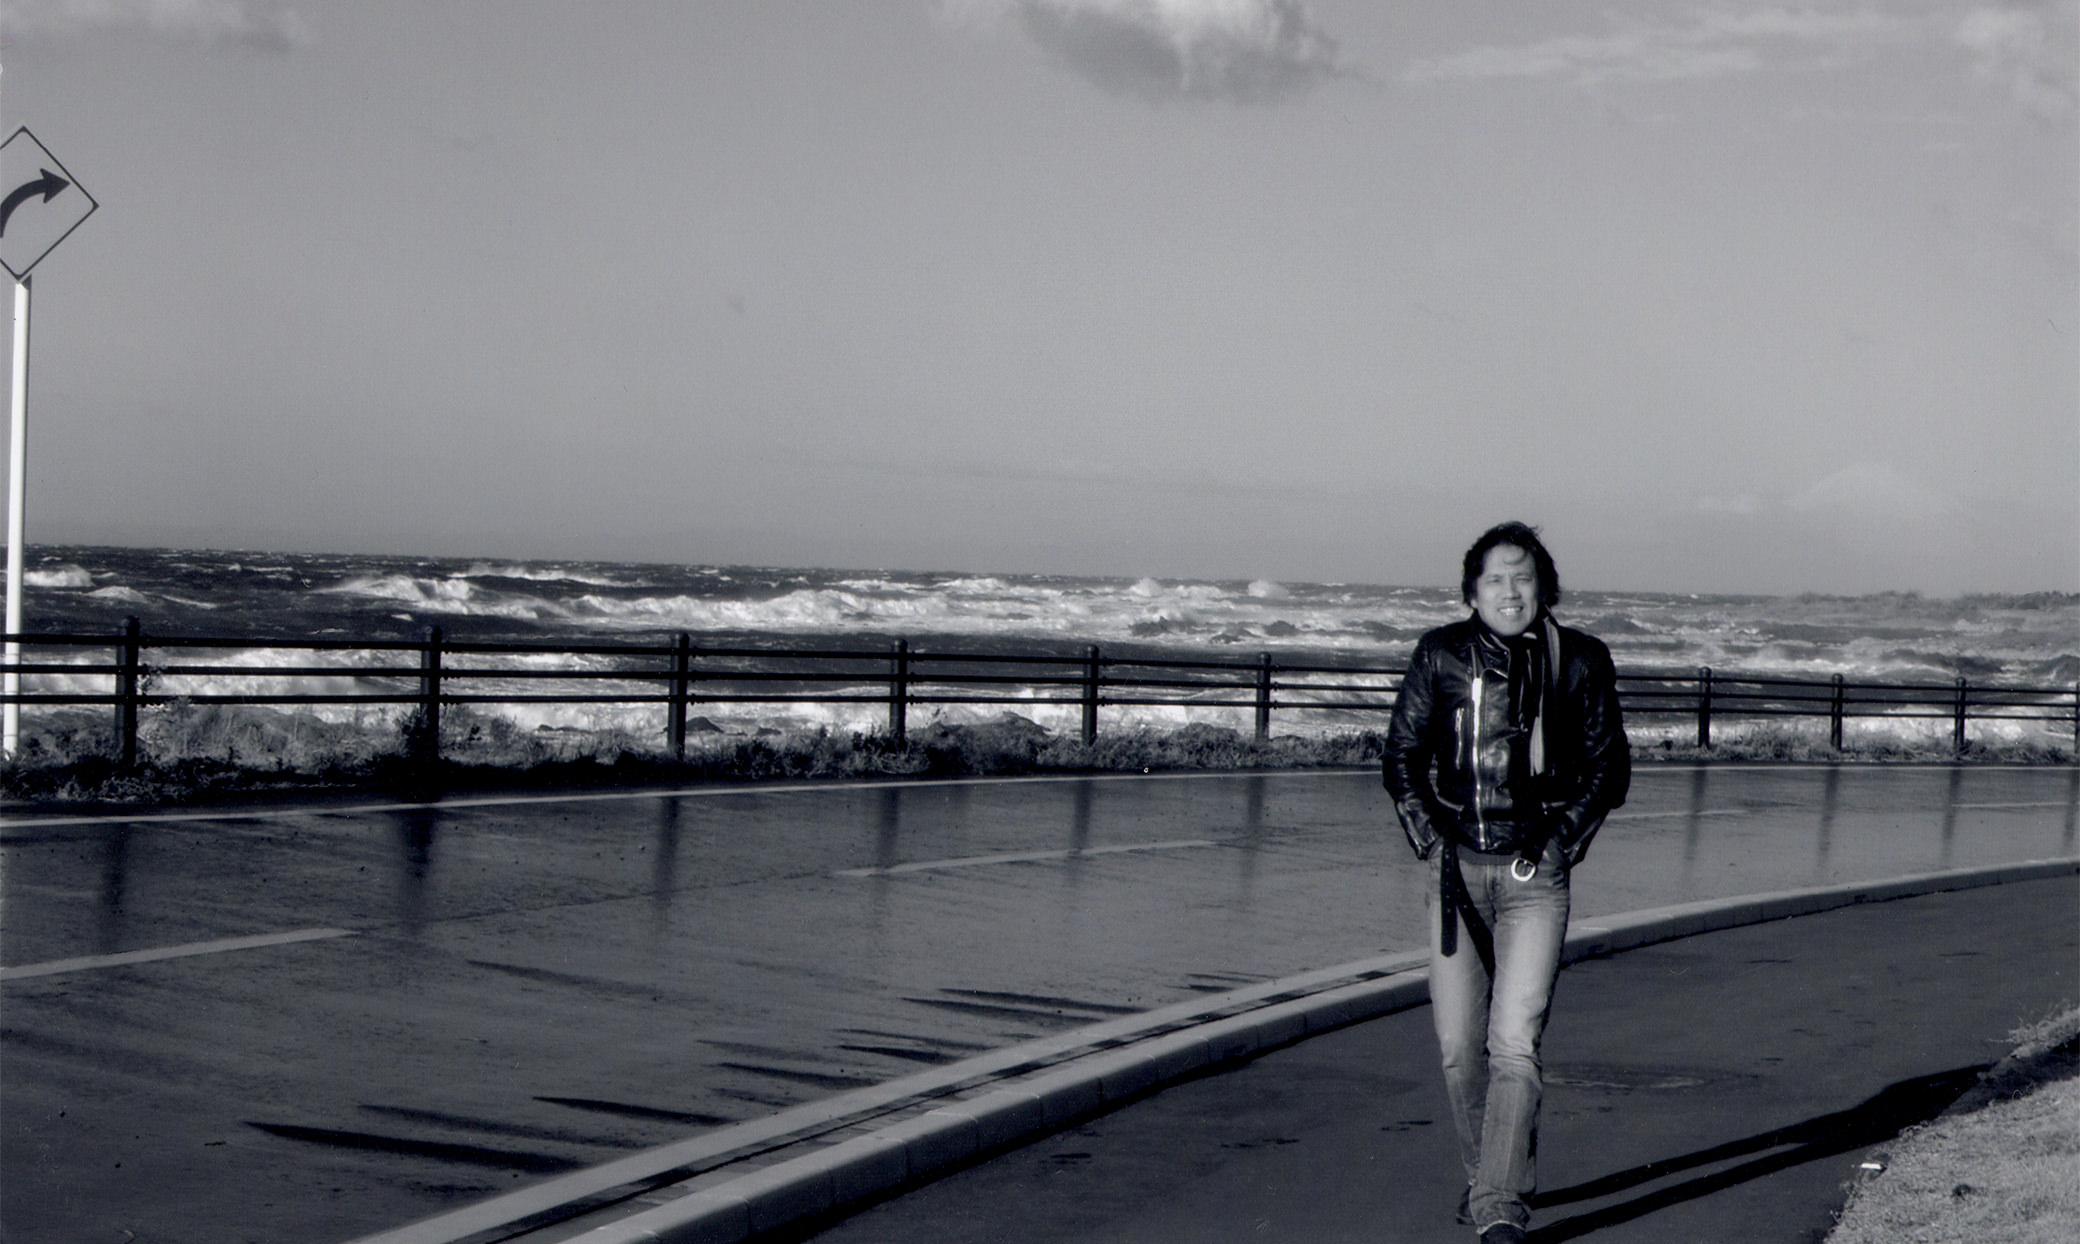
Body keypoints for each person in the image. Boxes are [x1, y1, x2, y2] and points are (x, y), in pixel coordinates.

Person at [1382, 521, 1630, 1244]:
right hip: (1455, 874)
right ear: (1472, 591)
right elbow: (1401, 759)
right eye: (1495, 579)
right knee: (1461, 1049)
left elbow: (1609, 768)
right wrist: (1433, 840)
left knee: (1514, 1043)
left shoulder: (1580, 659)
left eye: (1523, 577)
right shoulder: (1440, 653)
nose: (1510, 591)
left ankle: (1498, 1205)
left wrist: (1558, 841)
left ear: (1543, 586)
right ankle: (1487, 1176)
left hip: (1534, 878)